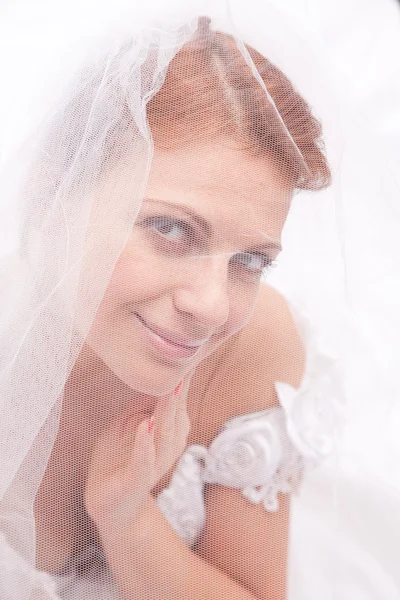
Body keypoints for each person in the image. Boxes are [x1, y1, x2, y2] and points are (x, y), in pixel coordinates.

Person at [4, 4, 399, 600]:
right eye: (170, 230)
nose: (213, 307)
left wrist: (129, 519)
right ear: (54, 197)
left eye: (252, 261)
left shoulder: (253, 345)